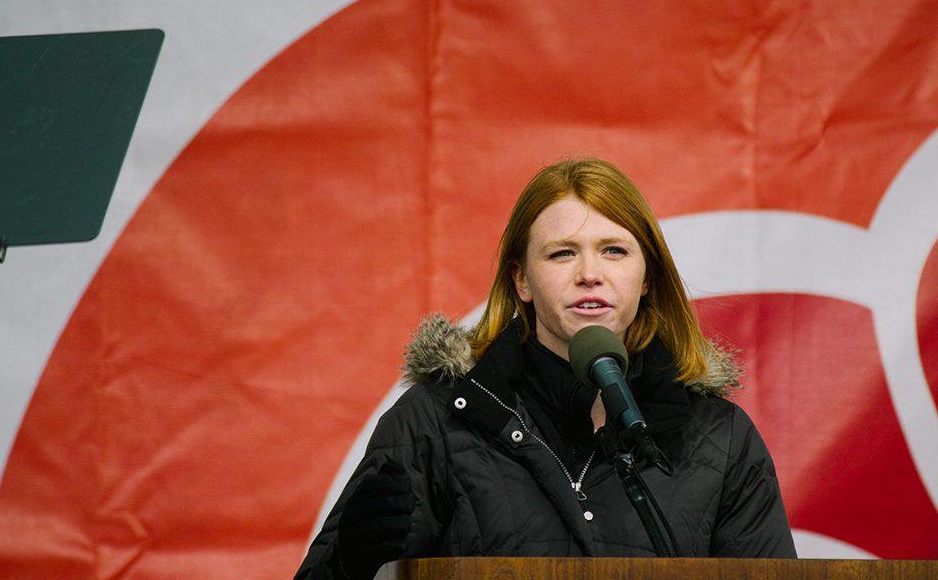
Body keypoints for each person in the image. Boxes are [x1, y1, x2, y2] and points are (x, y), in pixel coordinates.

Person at [294, 158, 796, 579]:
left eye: (614, 250)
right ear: (523, 282)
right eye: (561, 254)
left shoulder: (720, 439)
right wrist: (347, 566)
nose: (590, 275)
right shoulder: (435, 423)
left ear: (646, 278)